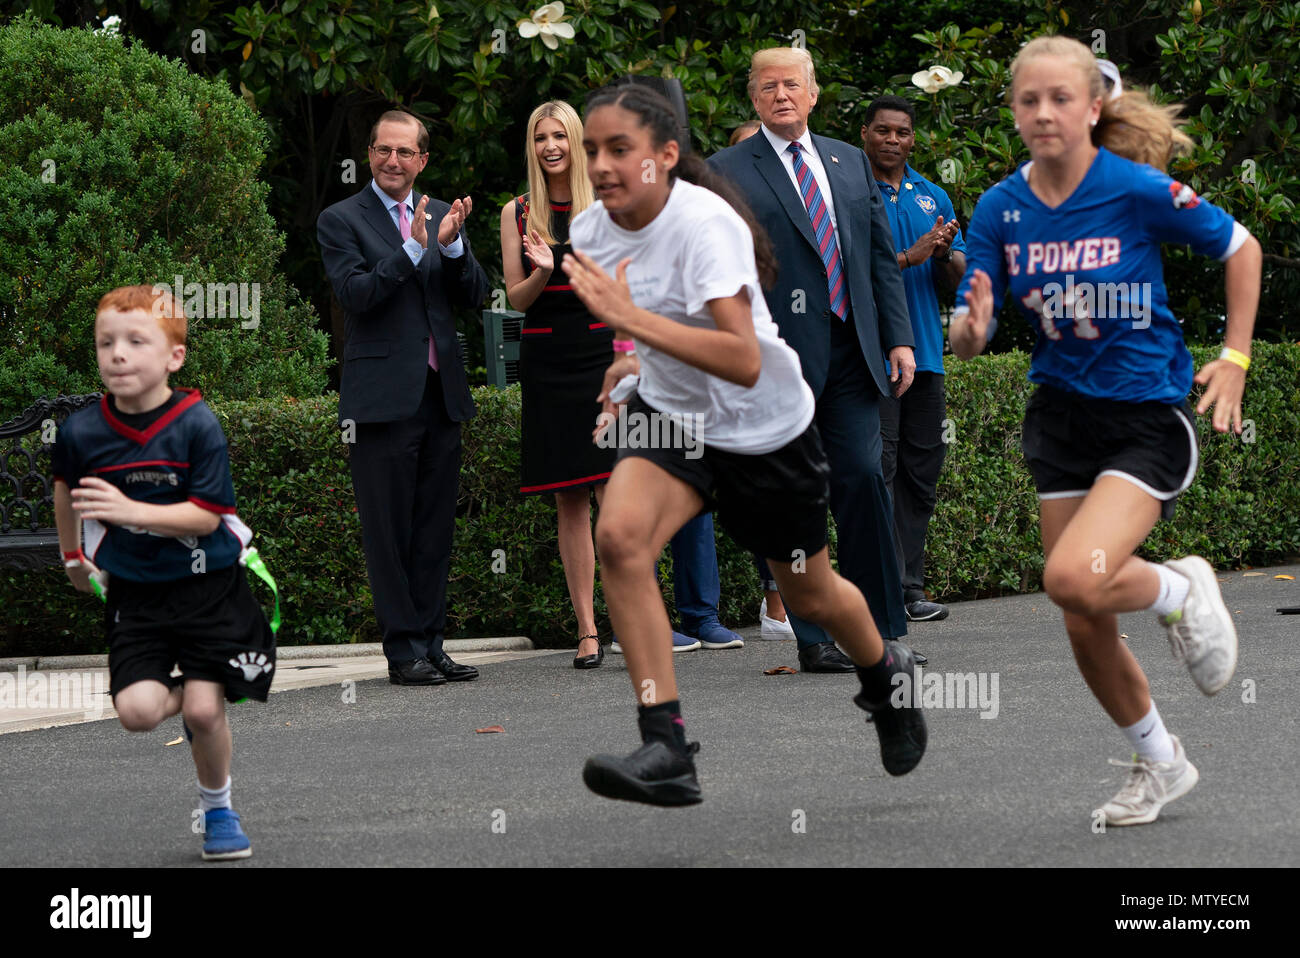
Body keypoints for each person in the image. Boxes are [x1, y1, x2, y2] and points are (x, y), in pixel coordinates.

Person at [563, 84, 927, 805]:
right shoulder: (592, 231)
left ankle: (886, 676)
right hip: (672, 416)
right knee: (621, 541)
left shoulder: (706, 224)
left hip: (763, 427)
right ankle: (666, 743)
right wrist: (627, 357)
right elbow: (638, 326)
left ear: (665, 156)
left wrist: (630, 318)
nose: (601, 164)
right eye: (592, 150)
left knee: (810, 593)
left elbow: (742, 358)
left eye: (619, 149)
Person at [950, 37, 1260, 826]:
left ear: (1094, 107)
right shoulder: (998, 208)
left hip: (1144, 416)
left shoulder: (1134, 188)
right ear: (1014, 112)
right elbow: (969, 327)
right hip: (1060, 417)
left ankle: (1178, 589)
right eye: (1029, 100)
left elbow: (1241, 247)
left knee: (1071, 577)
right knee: (1083, 616)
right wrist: (971, 327)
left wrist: (1234, 357)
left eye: (1061, 98)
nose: (1044, 113)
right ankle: (1160, 760)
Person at [710, 47, 923, 671]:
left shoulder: (850, 160)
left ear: (813, 93)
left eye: (792, 84)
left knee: (861, 477)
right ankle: (815, 636)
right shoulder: (726, 170)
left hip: (853, 350)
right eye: (768, 85)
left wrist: (898, 337)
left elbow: (880, 256)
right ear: (754, 97)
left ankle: (881, 631)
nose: (781, 94)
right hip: (777, 359)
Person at [52, 284, 276, 860]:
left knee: (203, 711)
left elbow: (206, 517)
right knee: (137, 713)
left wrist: (130, 511)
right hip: (138, 593)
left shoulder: (196, 423)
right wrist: (73, 557)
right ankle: (210, 679)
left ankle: (219, 809)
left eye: (135, 341)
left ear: (174, 356)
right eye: (106, 343)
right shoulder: (83, 431)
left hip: (209, 586)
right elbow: (65, 490)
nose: (117, 354)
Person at [318, 110, 487, 687]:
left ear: (423, 160)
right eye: (383, 150)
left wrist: (455, 246)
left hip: (441, 397)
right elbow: (356, 295)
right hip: (381, 401)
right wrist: (413, 250)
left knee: (435, 529)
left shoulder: (442, 214)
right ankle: (402, 651)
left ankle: (432, 644)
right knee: (388, 532)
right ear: (369, 154)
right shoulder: (341, 219)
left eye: (405, 152)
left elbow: (476, 294)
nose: (393, 161)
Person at [500, 100, 612, 668]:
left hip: (602, 355)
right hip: (547, 358)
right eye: (540, 137)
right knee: (570, 496)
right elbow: (516, 300)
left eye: (559, 136)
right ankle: (588, 631)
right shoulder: (516, 212)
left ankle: (636, 616)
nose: (550, 146)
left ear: (575, 141)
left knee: (613, 495)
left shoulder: (610, 203)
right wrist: (543, 268)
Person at [862, 95, 965, 623]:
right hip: (873, 356)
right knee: (878, 470)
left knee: (920, 475)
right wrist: (911, 255)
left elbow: (959, 279)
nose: (893, 140)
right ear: (865, 134)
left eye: (902, 132)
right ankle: (878, 588)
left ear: (913, 139)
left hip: (927, 356)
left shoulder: (933, 196)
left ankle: (910, 588)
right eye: (883, 131)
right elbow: (851, 272)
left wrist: (944, 253)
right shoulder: (851, 191)